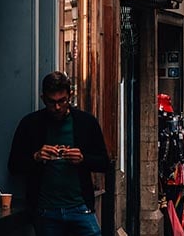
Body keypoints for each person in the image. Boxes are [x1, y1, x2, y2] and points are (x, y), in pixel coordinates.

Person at [8, 71, 110, 236]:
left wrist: (83, 159)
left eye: (62, 101)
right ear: (43, 99)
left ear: (70, 96)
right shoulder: (30, 124)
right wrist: (36, 157)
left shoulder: (86, 122)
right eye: (51, 102)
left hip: (80, 208)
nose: (57, 107)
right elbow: (13, 166)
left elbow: (104, 163)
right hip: (46, 211)